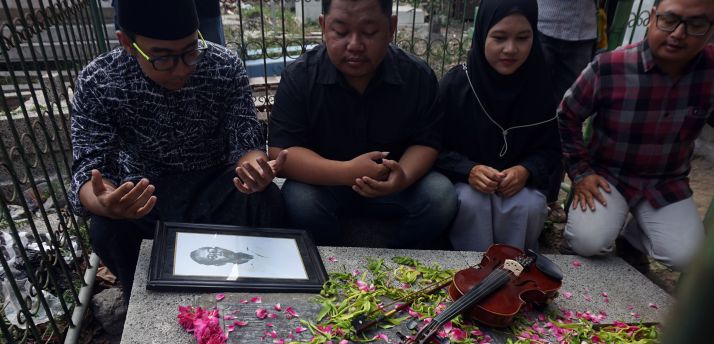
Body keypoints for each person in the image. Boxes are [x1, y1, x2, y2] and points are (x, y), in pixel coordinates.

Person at [69, 0, 286, 301]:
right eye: (164, 58)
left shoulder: (222, 64)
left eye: (190, 50)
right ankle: (145, 305)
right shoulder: (99, 80)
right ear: (127, 44)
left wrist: (254, 168)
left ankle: (258, 295)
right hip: (145, 194)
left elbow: (245, 139)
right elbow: (90, 164)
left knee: (266, 199)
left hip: (216, 185)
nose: (183, 68)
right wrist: (105, 199)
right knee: (107, 226)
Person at [267, 0, 457, 248]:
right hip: (327, 184)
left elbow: (426, 141)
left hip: (395, 186)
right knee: (299, 199)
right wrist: (345, 172)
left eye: (369, 32)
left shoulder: (417, 76)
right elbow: (282, 152)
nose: (355, 45)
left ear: (391, 27)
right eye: (341, 31)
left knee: (440, 196)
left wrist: (403, 176)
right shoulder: (300, 77)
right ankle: (336, 263)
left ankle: (397, 260)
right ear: (324, 26)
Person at [560, 0, 714, 271]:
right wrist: (580, 172)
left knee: (687, 258)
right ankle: (609, 225)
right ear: (652, 17)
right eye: (669, 20)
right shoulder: (610, 66)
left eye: (696, 25)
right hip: (607, 175)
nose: (678, 34)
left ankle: (634, 241)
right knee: (588, 242)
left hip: (666, 180)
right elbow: (567, 115)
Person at [436, 0, 561, 252]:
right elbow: (432, 145)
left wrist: (526, 170)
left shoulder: (540, 86)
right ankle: (471, 270)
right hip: (466, 183)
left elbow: (552, 150)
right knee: (471, 201)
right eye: (499, 37)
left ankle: (514, 271)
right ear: (482, 33)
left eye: (523, 38)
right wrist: (468, 170)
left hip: (518, 186)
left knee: (529, 204)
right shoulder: (457, 85)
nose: (510, 49)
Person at [537, 0, 598, 219]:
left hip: (582, 30)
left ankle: (550, 198)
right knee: (531, 112)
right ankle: (526, 189)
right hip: (539, 23)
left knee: (565, 119)